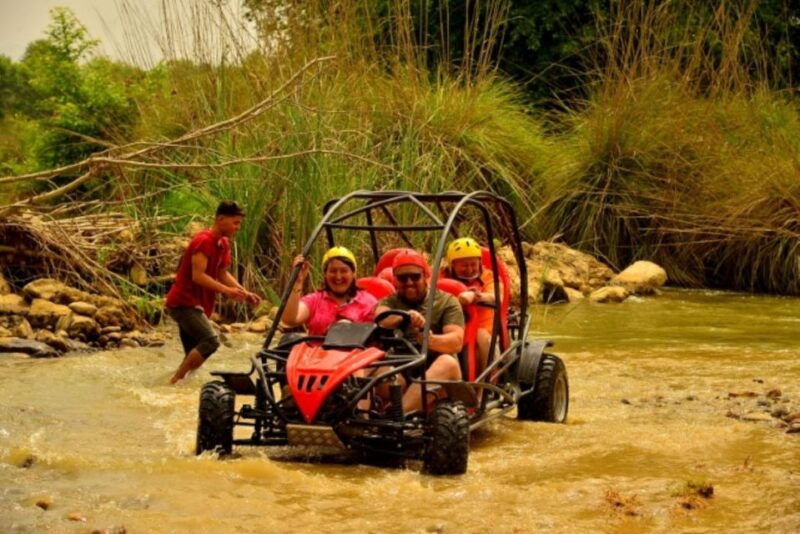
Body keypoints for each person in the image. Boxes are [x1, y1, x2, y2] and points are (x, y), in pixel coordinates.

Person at [166, 200, 261, 384]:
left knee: (193, 356)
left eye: (239, 223)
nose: (238, 227)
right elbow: (198, 276)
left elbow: (222, 273)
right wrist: (227, 291)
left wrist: (244, 292)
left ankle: (178, 388)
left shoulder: (223, 244)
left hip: (195, 304)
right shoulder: (203, 241)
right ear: (220, 219)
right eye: (235, 222)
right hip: (183, 303)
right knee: (211, 341)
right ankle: (175, 381)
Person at [374, 250, 464, 412]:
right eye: (402, 278)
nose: (409, 282)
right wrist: (405, 318)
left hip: (437, 371)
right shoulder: (390, 301)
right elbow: (381, 318)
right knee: (372, 365)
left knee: (447, 362)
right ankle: (356, 417)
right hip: (401, 368)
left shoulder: (447, 302)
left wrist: (429, 340)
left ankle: (396, 414)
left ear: (425, 277)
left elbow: (456, 342)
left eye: (415, 276)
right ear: (395, 280)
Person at [280, 246, 377, 335]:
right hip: (318, 352)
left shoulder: (369, 302)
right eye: (333, 271)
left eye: (344, 271)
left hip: (357, 353)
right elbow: (289, 320)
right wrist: (297, 282)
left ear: (353, 274)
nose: (338, 277)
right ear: (325, 274)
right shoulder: (315, 300)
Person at [442, 237, 500, 378]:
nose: (469, 269)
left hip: (484, 327)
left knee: (482, 337)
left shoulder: (488, 276)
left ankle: (486, 388)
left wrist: (476, 296)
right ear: (452, 265)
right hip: (451, 324)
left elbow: (497, 297)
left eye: (473, 264)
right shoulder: (441, 277)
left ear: (480, 263)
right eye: (464, 265)